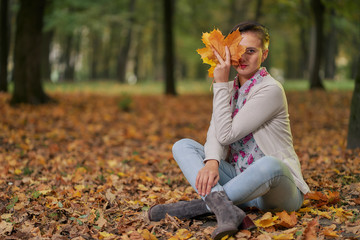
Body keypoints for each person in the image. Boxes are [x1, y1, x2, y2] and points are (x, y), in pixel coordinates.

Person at [148, 21, 310, 240]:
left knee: (270, 164)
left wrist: (220, 84)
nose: (242, 57)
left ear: (264, 54)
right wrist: (212, 162)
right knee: (183, 146)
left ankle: (196, 208)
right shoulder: (230, 88)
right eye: (237, 50)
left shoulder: (270, 89)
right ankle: (227, 209)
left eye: (251, 51)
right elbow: (216, 130)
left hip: (277, 190)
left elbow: (227, 134)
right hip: (241, 183)